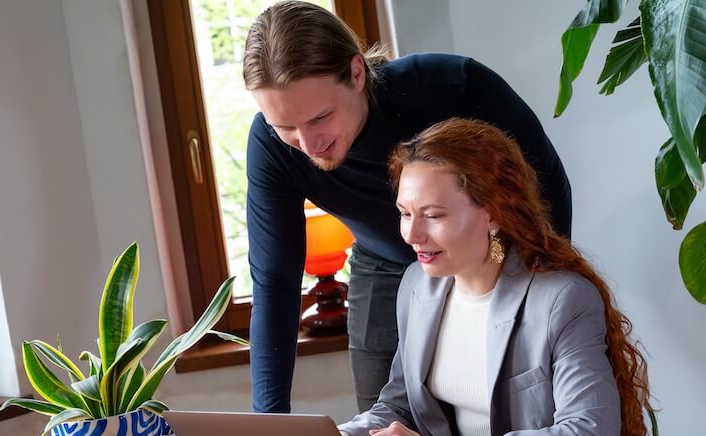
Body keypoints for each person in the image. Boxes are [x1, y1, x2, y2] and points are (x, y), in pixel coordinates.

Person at [337, 117, 676, 436]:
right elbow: (401, 405)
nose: (412, 234)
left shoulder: (560, 300)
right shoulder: (416, 288)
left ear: (493, 213)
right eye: (405, 213)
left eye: (433, 215)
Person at [243, 0, 572, 413]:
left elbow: (544, 186)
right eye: (285, 127)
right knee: (382, 429)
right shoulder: (271, 149)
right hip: (382, 263)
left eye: (320, 117)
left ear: (357, 73)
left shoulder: (453, 89)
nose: (309, 146)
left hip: (491, 257)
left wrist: (543, 289)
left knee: (514, 410)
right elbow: (275, 283)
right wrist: (271, 429)